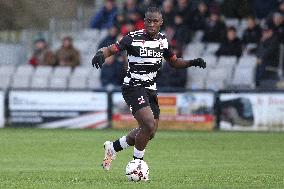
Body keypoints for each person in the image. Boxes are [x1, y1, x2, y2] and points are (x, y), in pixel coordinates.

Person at [92, 7, 206, 171]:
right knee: (147, 123)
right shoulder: (132, 38)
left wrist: (192, 62)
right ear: (144, 22)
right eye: (149, 21)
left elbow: (173, 62)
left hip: (150, 89)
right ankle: (137, 164)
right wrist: (100, 54)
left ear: (161, 23)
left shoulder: (163, 41)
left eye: (155, 21)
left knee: (149, 131)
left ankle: (113, 147)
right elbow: (111, 49)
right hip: (133, 86)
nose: (152, 24)